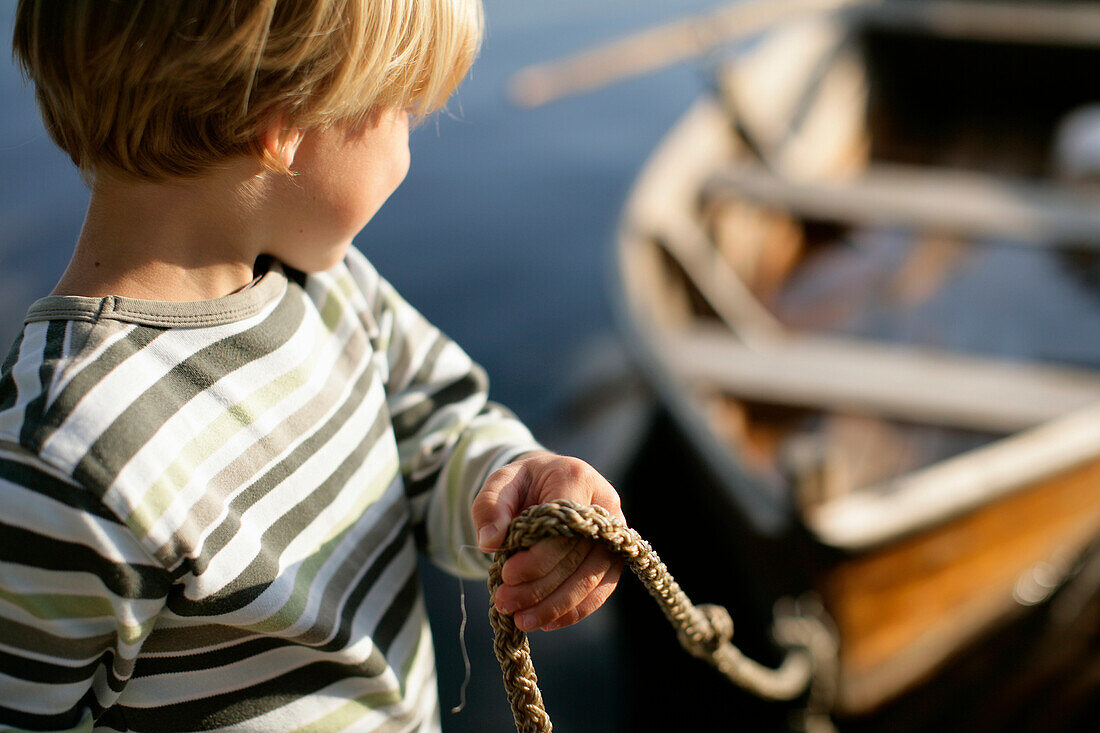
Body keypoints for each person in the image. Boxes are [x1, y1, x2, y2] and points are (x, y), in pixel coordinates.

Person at [0, 1, 623, 730]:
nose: (408, 150)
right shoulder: (64, 461)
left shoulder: (324, 286)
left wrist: (512, 483)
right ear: (284, 121)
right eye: (402, 111)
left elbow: (437, 426)